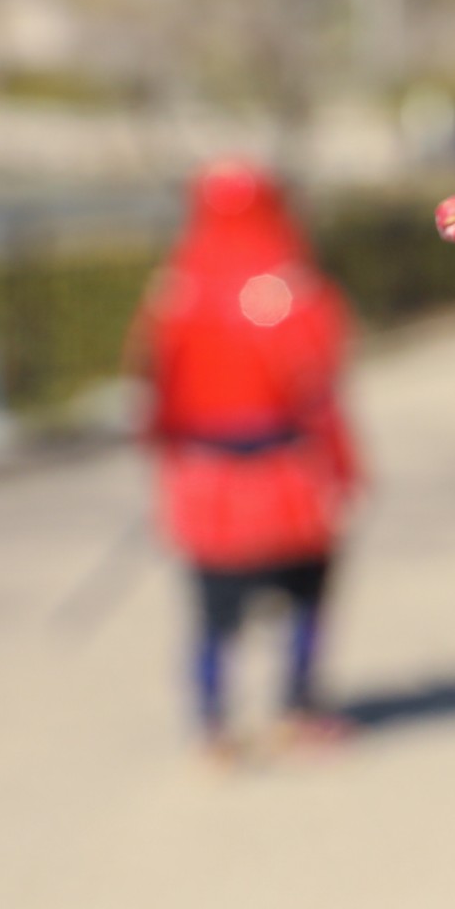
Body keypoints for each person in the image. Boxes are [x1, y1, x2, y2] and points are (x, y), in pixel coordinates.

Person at [131, 162, 359, 759]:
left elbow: (154, 380)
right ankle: (297, 707)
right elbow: (318, 380)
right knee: (306, 594)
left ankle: (212, 725)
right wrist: (341, 462)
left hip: (206, 477)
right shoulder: (288, 285)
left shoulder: (177, 285)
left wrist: (163, 449)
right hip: (284, 473)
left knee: (212, 610)